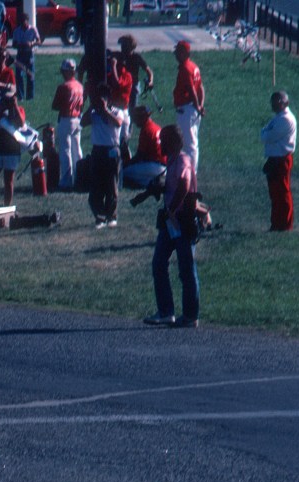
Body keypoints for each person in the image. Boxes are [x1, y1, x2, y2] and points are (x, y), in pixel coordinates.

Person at [145, 124, 199, 328]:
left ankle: (191, 315)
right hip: (171, 223)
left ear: (174, 142)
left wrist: (172, 209)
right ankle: (166, 312)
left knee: (186, 269)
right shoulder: (172, 160)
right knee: (159, 263)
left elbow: (185, 185)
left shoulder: (183, 160)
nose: (160, 144)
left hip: (182, 221)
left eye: (164, 140)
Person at [81, 83, 124, 228]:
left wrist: (105, 110)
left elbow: (118, 123)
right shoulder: (94, 114)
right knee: (96, 186)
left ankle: (111, 215)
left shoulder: (117, 111)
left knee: (111, 185)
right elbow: (82, 122)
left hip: (112, 150)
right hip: (97, 150)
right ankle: (100, 216)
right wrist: (91, 107)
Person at [260, 90, 297, 232]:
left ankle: (285, 224)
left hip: (281, 159)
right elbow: (265, 132)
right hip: (275, 159)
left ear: (284, 103)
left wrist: (265, 132)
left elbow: (266, 136)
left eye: (277, 102)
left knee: (282, 192)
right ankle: (276, 223)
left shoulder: (285, 119)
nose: (273, 105)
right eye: (273, 102)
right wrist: (265, 132)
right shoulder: (279, 117)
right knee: (275, 193)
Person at [51, 57, 83, 190]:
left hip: (66, 119)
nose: (63, 73)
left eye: (64, 71)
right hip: (77, 119)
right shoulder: (79, 86)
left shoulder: (64, 86)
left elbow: (55, 106)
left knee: (65, 150)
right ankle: (80, 176)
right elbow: (81, 104)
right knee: (77, 149)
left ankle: (66, 180)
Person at [172, 40, 204, 172]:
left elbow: (192, 90)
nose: (175, 54)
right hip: (192, 109)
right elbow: (201, 88)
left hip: (187, 110)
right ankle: (189, 172)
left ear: (185, 53)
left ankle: (192, 174)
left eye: (178, 52)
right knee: (190, 143)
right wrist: (200, 106)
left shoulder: (185, 69)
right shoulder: (194, 66)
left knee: (189, 144)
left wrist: (197, 106)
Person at [122, 105, 165, 189]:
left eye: (136, 118)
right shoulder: (157, 127)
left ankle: (151, 182)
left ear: (142, 117)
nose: (134, 121)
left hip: (153, 166)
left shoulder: (146, 129)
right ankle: (154, 182)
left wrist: (127, 164)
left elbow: (140, 156)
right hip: (164, 167)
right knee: (139, 175)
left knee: (123, 172)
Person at [117, 34, 153, 109]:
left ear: (131, 47)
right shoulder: (119, 56)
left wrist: (150, 81)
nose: (122, 48)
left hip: (133, 85)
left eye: (124, 46)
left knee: (132, 107)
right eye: (122, 46)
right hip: (122, 85)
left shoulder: (137, 57)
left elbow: (149, 71)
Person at [11, 14, 39, 101]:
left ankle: (30, 96)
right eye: (22, 22)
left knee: (30, 75)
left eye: (25, 21)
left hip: (29, 53)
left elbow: (39, 40)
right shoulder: (17, 31)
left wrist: (31, 43)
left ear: (28, 21)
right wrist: (19, 45)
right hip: (20, 54)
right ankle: (20, 96)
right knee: (19, 76)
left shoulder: (32, 29)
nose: (24, 23)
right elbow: (14, 44)